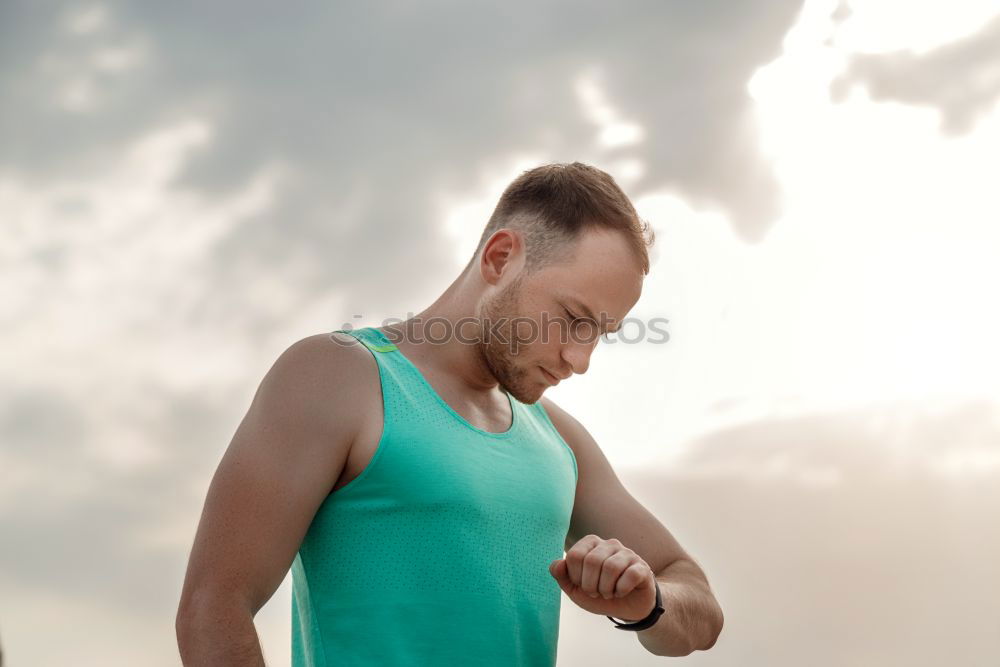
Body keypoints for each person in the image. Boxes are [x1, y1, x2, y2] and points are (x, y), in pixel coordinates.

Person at [175, 162, 724, 665]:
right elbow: (213, 606)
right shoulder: (339, 377)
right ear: (501, 258)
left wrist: (647, 604)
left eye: (599, 335)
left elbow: (697, 605)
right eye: (573, 318)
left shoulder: (560, 439)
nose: (580, 360)